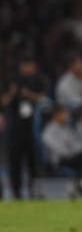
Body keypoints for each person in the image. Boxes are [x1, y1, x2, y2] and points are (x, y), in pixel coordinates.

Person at [0, 54, 48, 199]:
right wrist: (12, 93)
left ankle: (34, 191)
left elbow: (44, 98)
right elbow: (3, 102)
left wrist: (29, 94)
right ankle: (17, 192)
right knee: (15, 161)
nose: (27, 68)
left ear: (34, 66)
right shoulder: (12, 80)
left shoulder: (39, 80)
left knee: (33, 161)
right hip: (15, 127)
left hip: (33, 127)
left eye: (30, 65)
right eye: (24, 65)